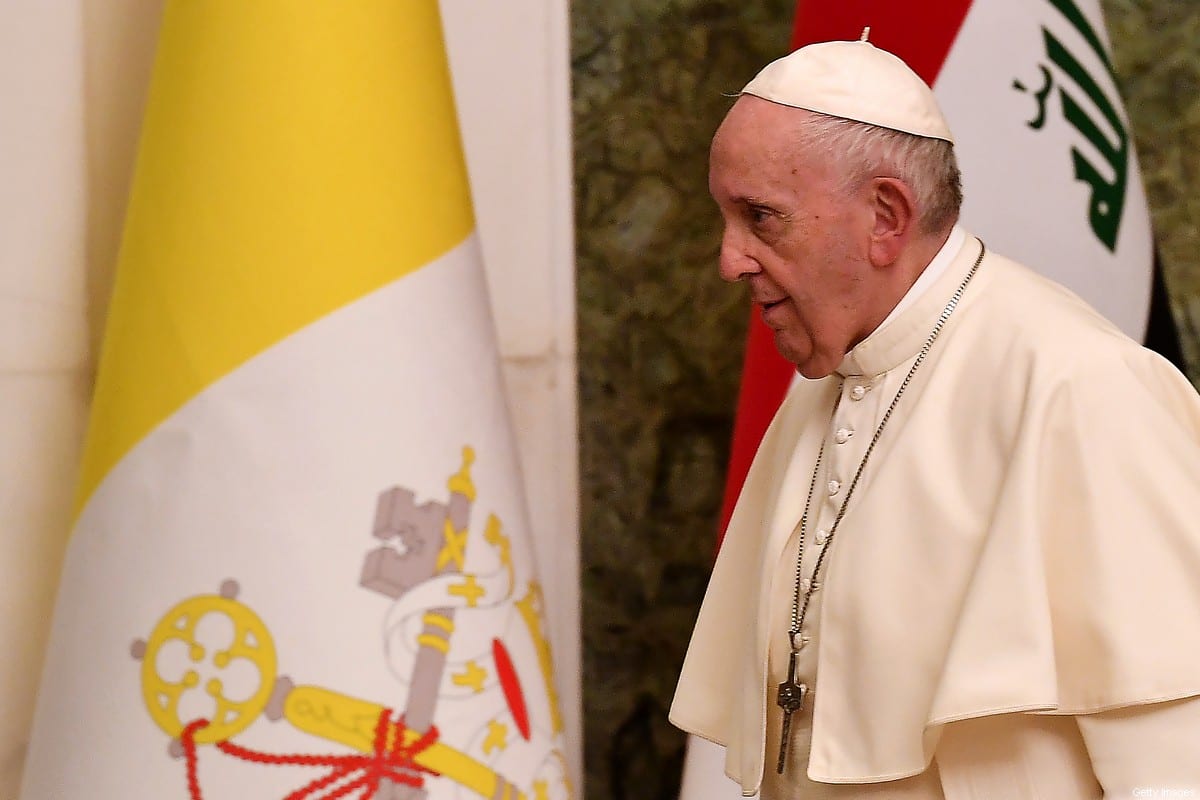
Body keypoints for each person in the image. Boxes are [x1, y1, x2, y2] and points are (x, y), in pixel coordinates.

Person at [670, 36, 1200, 799]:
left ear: (886, 214)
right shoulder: (822, 383)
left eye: (761, 218)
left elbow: (1177, 771)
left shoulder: (1081, 387)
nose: (729, 260)